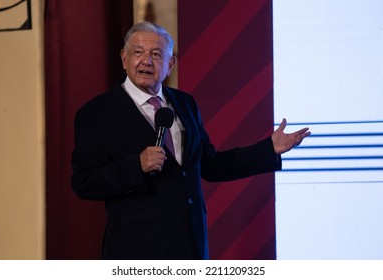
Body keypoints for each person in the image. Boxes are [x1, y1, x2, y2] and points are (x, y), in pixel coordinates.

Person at [71, 21, 310, 260]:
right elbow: (84, 182)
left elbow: (211, 164)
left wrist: (268, 149)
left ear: (170, 64)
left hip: (190, 247)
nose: (146, 61)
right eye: (138, 53)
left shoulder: (185, 104)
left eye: (156, 54)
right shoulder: (97, 113)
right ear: (124, 58)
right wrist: (137, 165)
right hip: (137, 251)